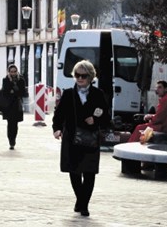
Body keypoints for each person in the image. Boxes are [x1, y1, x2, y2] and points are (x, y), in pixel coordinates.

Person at [52, 59, 110, 217]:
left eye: (83, 75)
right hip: (71, 138)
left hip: (91, 138)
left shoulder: (98, 94)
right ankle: (80, 199)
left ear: (90, 77)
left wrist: (95, 120)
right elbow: (59, 114)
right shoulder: (68, 94)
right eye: (77, 75)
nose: (79, 78)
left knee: (89, 172)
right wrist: (56, 129)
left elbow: (106, 117)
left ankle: (84, 205)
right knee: (74, 171)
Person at [0, 64, 26, 150]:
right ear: (9, 72)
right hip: (8, 106)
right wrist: (15, 91)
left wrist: (13, 91)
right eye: (11, 72)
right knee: (10, 123)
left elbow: (23, 92)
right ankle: (10, 141)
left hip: (17, 105)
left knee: (15, 124)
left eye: (15, 71)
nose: (13, 73)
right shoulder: (6, 80)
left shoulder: (21, 80)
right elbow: (5, 92)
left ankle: (13, 139)